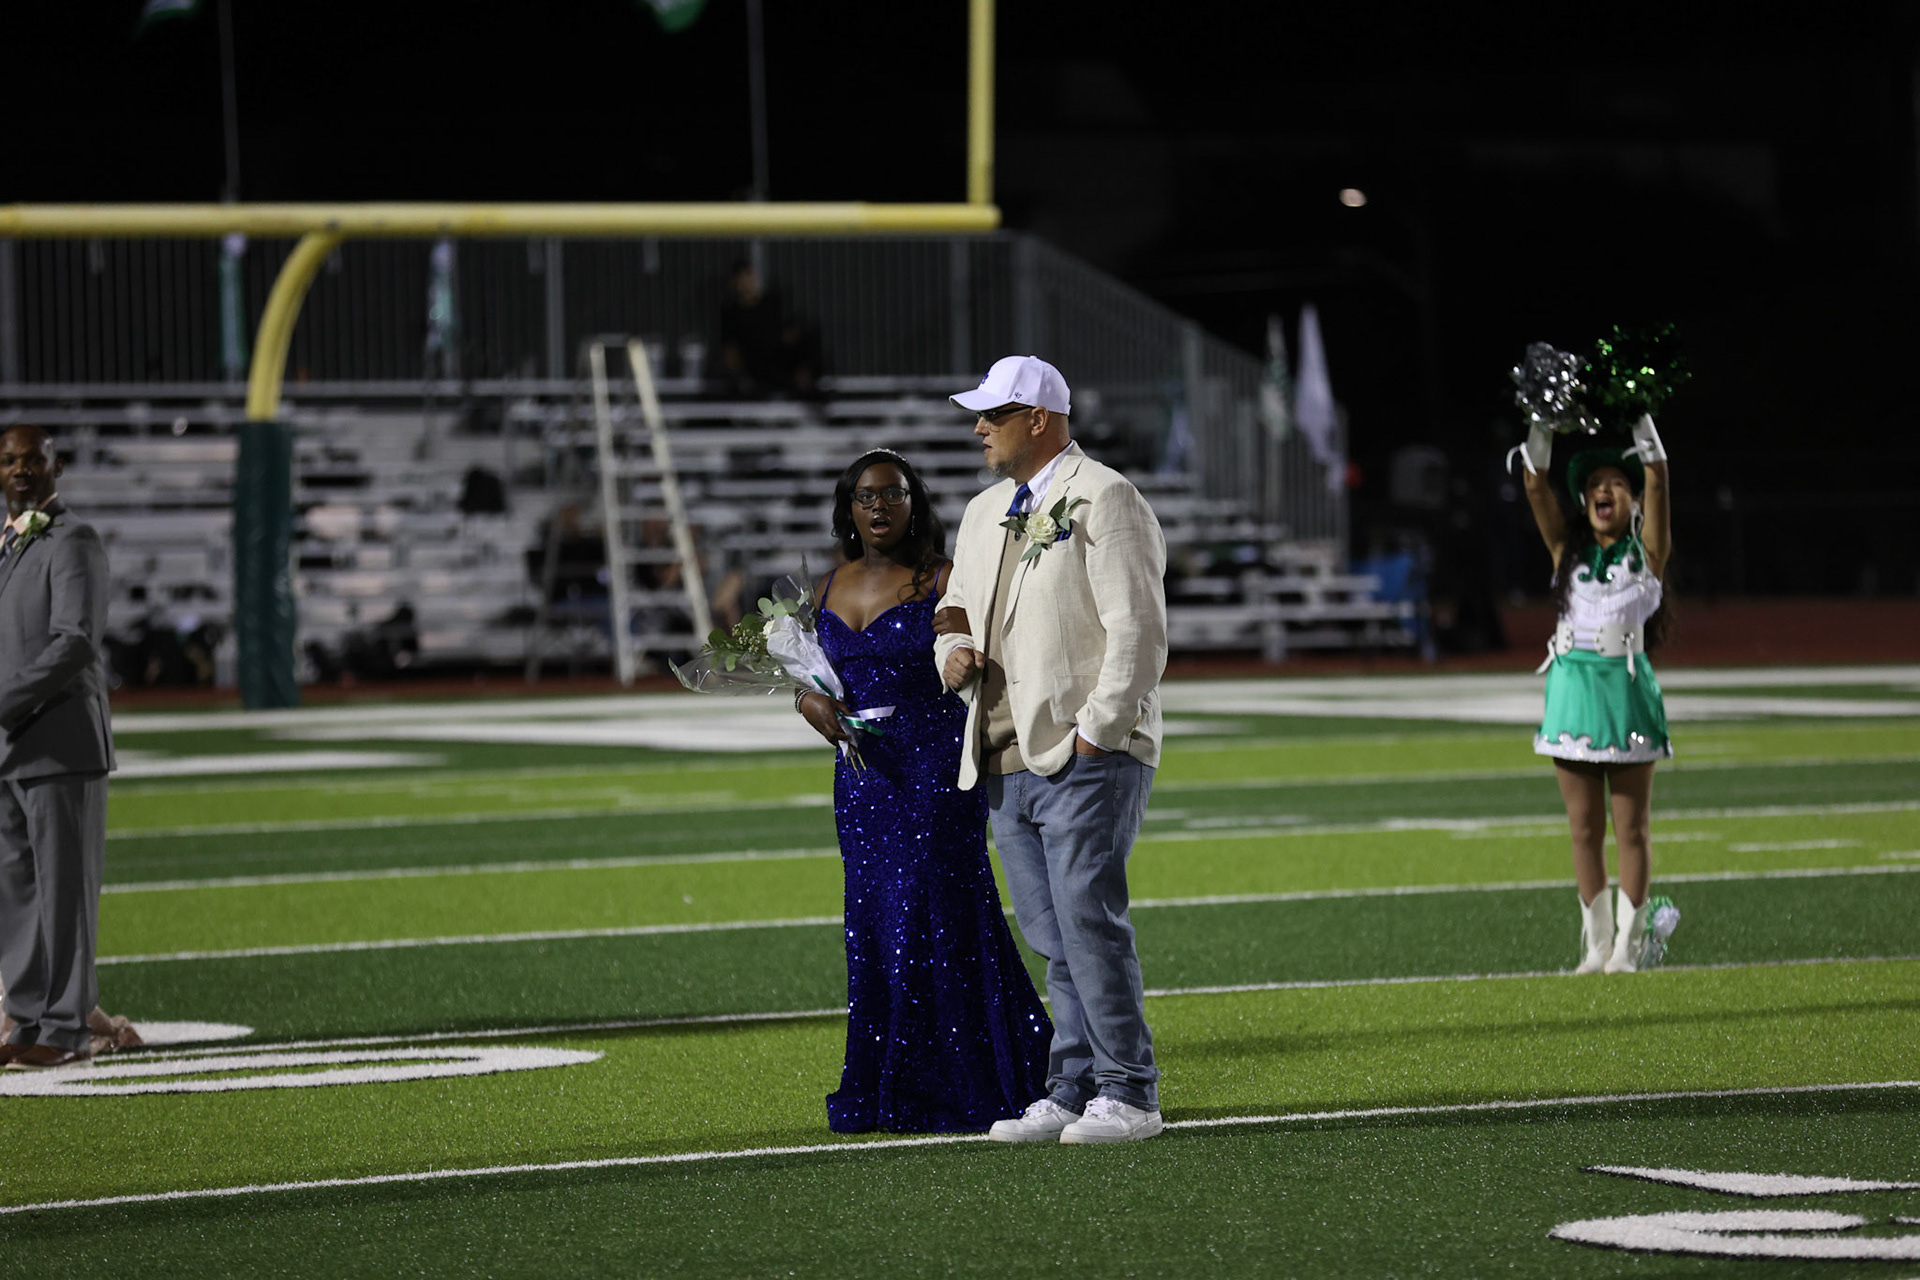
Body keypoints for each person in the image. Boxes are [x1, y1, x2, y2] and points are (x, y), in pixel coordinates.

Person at [934, 356, 1169, 1144]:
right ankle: (1072, 1088)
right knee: (1052, 935)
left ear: (1038, 418)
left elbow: (1138, 629)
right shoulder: (982, 512)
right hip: (1002, 751)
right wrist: (951, 654)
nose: (979, 428)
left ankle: (1129, 1091)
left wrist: (1097, 732)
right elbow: (952, 608)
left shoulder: (1105, 495)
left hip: (1081, 750)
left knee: (1088, 923)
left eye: (993, 415)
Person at [796, 448, 1052, 1133]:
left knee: (937, 915)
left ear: (915, 504)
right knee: (876, 925)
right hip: (862, 781)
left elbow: (979, 654)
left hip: (934, 771)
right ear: (848, 509)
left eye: (894, 494)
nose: (880, 506)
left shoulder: (942, 577)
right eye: (866, 496)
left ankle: (971, 1079)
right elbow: (812, 678)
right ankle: (891, 1082)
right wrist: (806, 702)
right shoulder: (824, 587)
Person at [1516, 413, 1673, 974]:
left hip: (1625, 690)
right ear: (1584, 502)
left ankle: (1629, 946)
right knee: (1583, 828)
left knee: (1631, 827)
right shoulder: (1567, 550)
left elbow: (1659, 478)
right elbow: (1535, 484)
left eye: (1617, 484)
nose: (1604, 491)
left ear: (1633, 500)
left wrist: (1641, 420)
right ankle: (1596, 945)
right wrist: (1542, 421)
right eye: (1595, 485)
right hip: (1572, 691)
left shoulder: (1647, 552)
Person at [0, 424, 118, 1069]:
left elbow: (74, 641)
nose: (20, 470)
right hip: (9, 748)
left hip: (59, 741)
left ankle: (68, 1028)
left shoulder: (74, 539)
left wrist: (4, 700)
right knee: (16, 893)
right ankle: (25, 1019)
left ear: (57, 467)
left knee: (64, 894)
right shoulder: (6, 545)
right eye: (9, 460)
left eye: (33, 460)